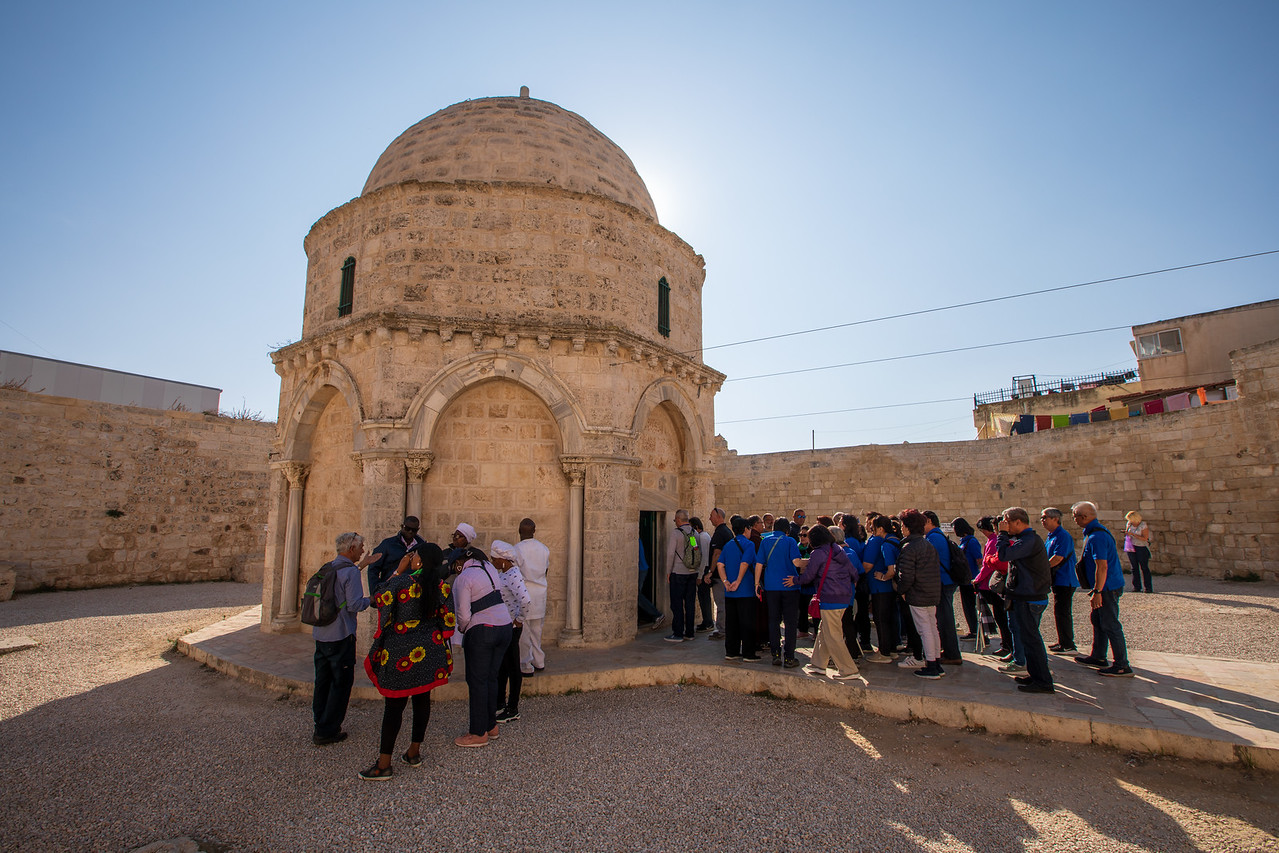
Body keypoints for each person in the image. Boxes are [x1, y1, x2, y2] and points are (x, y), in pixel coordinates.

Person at [359, 543, 451, 780]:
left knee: (394, 707)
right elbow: (449, 623)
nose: (411, 558)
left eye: (415, 556)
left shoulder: (402, 583)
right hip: (429, 651)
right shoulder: (441, 587)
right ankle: (413, 752)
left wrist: (398, 571)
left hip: (401, 653)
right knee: (422, 701)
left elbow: (379, 598)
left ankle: (384, 764)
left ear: (419, 561)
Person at [312, 532, 378, 746]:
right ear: (351, 548)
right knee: (340, 683)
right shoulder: (350, 572)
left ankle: (319, 722)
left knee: (322, 681)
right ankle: (328, 730)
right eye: (360, 548)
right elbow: (354, 604)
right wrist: (372, 600)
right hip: (341, 635)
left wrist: (363, 565)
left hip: (322, 634)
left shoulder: (330, 567)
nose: (362, 551)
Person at [453, 546, 514, 747]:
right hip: (504, 626)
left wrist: (463, 629)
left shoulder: (465, 577)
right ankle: (491, 725)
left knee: (477, 681)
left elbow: (463, 613)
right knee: (490, 677)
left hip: (483, 630)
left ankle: (478, 733)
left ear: (462, 561)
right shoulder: (490, 569)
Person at [996, 507, 1054, 694]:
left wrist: (1002, 534)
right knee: (1028, 640)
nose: (1005, 526)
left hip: (1030, 598)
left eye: (1008, 522)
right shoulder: (1026, 540)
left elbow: (1004, 555)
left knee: (1032, 640)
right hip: (1024, 597)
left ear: (1018, 522)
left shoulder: (1030, 540)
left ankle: (1044, 681)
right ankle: (1036, 675)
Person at [1073, 502, 1133, 677]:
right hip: (1103, 586)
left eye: (1075, 516)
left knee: (1110, 623)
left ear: (1083, 517)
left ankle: (1122, 664)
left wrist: (1098, 591)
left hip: (1107, 587)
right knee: (1098, 620)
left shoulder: (1097, 537)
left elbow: (1102, 566)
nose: (1074, 519)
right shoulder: (1094, 533)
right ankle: (1099, 656)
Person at [797, 524, 860, 679]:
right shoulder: (838, 550)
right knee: (825, 631)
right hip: (843, 597)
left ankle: (848, 670)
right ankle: (818, 664)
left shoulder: (818, 553)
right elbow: (854, 573)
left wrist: (794, 579)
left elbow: (808, 577)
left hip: (829, 597)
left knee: (833, 635)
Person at [896, 510, 944, 679]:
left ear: (908, 527)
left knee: (925, 629)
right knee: (932, 627)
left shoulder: (910, 547)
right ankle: (936, 662)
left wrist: (901, 590)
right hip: (931, 592)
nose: (901, 528)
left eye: (903, 525)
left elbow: (906, 575)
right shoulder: (927, 545)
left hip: (918, 594)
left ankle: (931, 664)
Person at [490, 540, 533, 723]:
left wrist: (519, 620)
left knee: (513, 666)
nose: (492, 562)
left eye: (494, 559)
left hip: (511, 627)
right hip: (504, 625)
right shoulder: (505, 572)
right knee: (502, 666)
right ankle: (500, 702)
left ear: (502, 560)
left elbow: (525, 600)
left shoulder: (513, 574)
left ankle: (512, 707)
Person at [756, 517, 802, 667]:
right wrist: (812, 561)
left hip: (771, 586)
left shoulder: (765, 541)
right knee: (790, 622)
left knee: (773, 620)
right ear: (787, 529)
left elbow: (759, 564)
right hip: (789, 586)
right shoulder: (790, 541)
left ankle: (775, 653)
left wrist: (757, 583)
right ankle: (789, 656)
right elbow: (796, 562)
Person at [923, 511, 963, 666]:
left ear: (929, 521)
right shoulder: (938, 535)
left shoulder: (934, 537)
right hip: (945, 581)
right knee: (943, 618)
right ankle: (948, 650)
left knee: (945, 619)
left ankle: (952, 654)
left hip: (942, 582)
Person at [717, 515, 759, 661]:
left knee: (732, 623)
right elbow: (745, 563)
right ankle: (748, 653)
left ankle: (731, 651)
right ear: (746, 529)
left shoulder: (728, 545)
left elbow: (720, 564)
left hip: (729, 592)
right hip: (745, 590)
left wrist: (726, 582)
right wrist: (738, 581)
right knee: (747, 622)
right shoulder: (749, 544)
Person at [1040, 508, 1079, 655]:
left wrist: (1041, 569)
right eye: (1042, 518)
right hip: (1057, 579)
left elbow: (1057, 558)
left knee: (1063, 612)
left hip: (1065, 579)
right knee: (1059, 612)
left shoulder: (1063, 536)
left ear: (1055, 519)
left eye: (1045, 518)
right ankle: (1063, 641)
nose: (1043, 520)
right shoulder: (1051, 537)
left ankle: (1068, 645)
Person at [514, 518, 550, 675]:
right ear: (534, 531)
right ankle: (539, 660)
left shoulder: (516, 550)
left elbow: (514, 574)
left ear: (519, 531)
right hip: (539, 593)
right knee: (537, 630)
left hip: (524, 593)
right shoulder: (544, 549)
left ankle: (526, 664)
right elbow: (546, 571)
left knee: (524, 632)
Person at [974, 516, 1012, 659]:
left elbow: (989, 565)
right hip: (993, 584)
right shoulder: (996, 540)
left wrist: (977, 579)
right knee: (1002, 616)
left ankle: (1008, 645)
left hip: (992, 585)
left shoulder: (994, 541)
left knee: (1002, 617)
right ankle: (1007, 644)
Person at [863, 515, 898, 662]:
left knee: (881, 619)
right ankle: (890, 649)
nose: (872, 529)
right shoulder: (895, 539)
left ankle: (883, 653)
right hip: (890, 588)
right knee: (888, 618)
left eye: (874, 526)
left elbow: (889, 568)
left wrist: (883, 576)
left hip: (880, 586)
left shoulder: (884, 544)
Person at [366, 516, 427, 593]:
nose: (410, 532)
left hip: (412, 591)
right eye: (407, 528)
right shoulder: (388, 544)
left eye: (414, 530)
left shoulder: (422, 547)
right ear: (402, 527)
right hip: (390, 589)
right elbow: (373, 568)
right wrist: (375, 591)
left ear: (417, 530)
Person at [665, 509, 699, 643]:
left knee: (677, 603)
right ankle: (689, 632)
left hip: (678, 572)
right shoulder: (694, 533)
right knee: (690, 603)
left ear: (678, 519)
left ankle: (678, 632)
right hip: (692, 572)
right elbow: (695, 550)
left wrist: (668, 571)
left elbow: (670, 554)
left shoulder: (676, 533)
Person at [951, 517, 983, 641]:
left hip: (971, 579)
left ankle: (976, 631)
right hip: (964, 579)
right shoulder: (964, 541)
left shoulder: (972, 541)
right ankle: (973, 630)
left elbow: (979, 560)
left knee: (971, 606)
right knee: (967, 606)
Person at [704, 507, 731, 640]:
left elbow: (716, 553)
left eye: (711, 515)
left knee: (719, 602)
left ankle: (722, 629)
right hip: (719, 573)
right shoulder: (706, 535)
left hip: (715, 574)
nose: (709, 518)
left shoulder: (719, 533)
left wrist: (710, 572)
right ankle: (712, 623)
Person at [689, 516, 713, 633]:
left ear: (696, 527)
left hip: (704, 569)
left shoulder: (703, 537)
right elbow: (695, 550)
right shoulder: (696, 537)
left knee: (704, 597)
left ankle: (708, 622)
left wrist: (700, 576)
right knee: (702, 597)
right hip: (700, 569)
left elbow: (704, 557)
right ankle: (706, 621)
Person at [636, 536, 664, 630]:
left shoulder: (679, 534)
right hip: (689, 572)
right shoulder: (692, 535)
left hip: (640, 569)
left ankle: (656, 614)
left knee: (636, 595)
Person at [1125, 511, 1153, 593]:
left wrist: (1133, 534)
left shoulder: (1143, 525)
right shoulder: (1129, 524)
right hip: (1131, 547)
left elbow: (1145, 538)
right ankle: (1136, 587)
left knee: (1144, 567)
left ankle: (1148, 587)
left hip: (1141, 547)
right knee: (1134, 568)